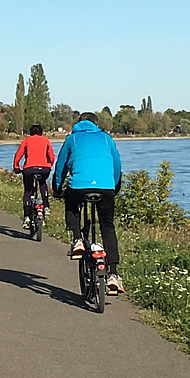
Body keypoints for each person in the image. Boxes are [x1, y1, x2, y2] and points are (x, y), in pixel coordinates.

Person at [51, 112, 124, 294]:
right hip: (106, 188)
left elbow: (61, 165)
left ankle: (77, 240)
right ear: (96, 124)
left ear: (79, 123)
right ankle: (113, 274)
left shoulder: (72, 139)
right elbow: (117, 165)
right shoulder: (107, 138)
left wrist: (58, 187)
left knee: (72, 203)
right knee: (107, 226)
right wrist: (114, 186)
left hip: (79, 187)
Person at [12, 124, 55, 229]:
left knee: (28, 190)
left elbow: (18, 155)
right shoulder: (46, 140)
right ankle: (46, 206)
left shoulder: (27, 140)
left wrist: (16, 166)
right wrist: (49, 165)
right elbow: (52, 156)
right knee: (43, 182)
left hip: (29, 169)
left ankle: (26, 217)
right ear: (41, 132)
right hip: (44, 169)